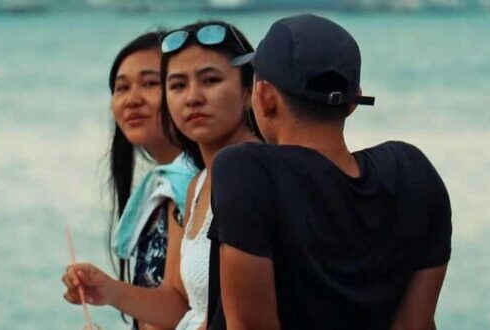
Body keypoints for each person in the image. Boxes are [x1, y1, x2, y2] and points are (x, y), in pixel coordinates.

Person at [206, 14, 452, 330]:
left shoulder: (246, 171)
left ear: (265, 97)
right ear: (352, 101)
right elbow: (415, 324)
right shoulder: (412, 173)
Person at [62, 21, 261, 330]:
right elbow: (185, 306)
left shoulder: (254, 176)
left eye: (210, 80)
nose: (193, 97)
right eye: (178, 85)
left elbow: (250, 320)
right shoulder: (198, 184)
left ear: (250, 90)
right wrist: (107, 289)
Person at [104, 31, 198, 330]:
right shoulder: (159, 188)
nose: (132, 100)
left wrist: (105, 289)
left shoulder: (192, 186)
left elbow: (181, 311)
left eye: (150, 84)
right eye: (121, 88)